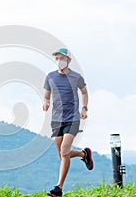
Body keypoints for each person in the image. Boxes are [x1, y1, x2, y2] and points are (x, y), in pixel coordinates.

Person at [43, 48, 94, 196]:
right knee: (62, 155)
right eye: (57, 58)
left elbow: (84, 92)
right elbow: (46, 96)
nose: (59, 60)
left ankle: (58, 188)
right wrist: (45, 102)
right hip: (56, 119)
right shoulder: (50, 77)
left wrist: (84, 108)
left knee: (64, 151)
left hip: (72, 118)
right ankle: (83, 154)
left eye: (62, 58)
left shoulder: (76, 77)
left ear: (69, 60)